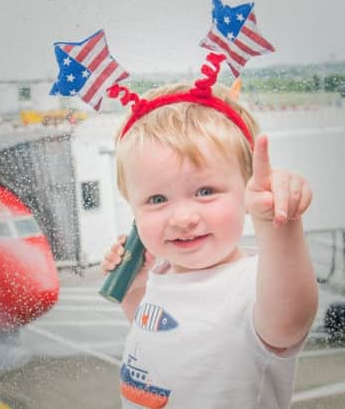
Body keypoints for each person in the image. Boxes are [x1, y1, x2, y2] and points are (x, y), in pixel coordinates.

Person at [101, 54, 318, 408]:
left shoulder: (253, 285)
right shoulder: (162, 273)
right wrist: (135, 290)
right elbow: (163, 338)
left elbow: (289, 322)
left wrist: (279, 227)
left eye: (205, 192)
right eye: (157, 198)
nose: (183, 217)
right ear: (132, 208)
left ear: (246, 190)